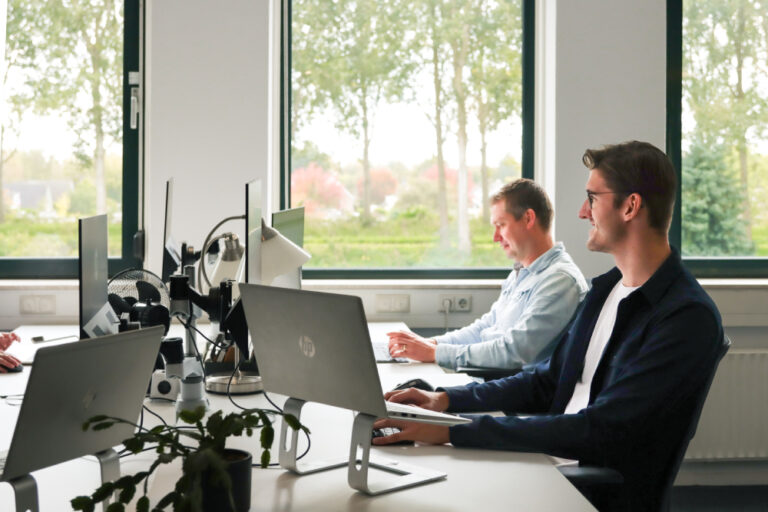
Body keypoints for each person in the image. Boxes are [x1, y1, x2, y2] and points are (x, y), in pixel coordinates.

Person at [373, 141, 724, 511]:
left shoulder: (685, 318)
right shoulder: (606, 290)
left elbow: (600, 429)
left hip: (588, 486)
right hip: (553, 457)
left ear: (630, 206)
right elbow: (545, 380)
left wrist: (454, 430)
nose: (582, 212)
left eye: (592, 198)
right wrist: (444, 400)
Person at [387, 178, 588, 370]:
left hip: (512, 387)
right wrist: (430, 343)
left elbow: (515, 352)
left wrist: (436, 353)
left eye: (501, 225)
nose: (495, 237)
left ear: (528, 218)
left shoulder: (560, 281)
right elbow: (485, 328)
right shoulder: (521, 273)